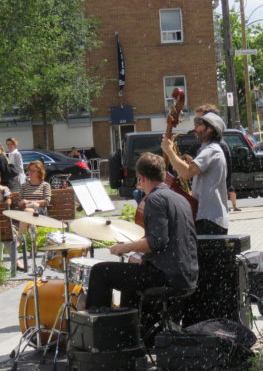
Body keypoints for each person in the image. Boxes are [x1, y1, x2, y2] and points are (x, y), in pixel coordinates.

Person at [86, 153, 197, 312]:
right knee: (131, 274)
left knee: (100, 272)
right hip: (187, 275)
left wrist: (124, 247)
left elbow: (157, 242)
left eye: (138, 180)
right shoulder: (180, 198)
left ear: (142, 178)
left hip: (167, 276)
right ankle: (131, 321)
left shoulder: (154, 199)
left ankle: (100, 325)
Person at [162, 111, 229, 235]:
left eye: (199, 124)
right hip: (208, 218)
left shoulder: (211, 150)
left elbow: (187, 172)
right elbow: (189, 171)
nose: (194, 128)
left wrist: (169, 151)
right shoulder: (208, 150)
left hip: (209, 219)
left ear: (209, 129)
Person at [194, 104, 240, 212]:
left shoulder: (217, 146)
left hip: (212, 210)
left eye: (198, 122)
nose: (195, 127)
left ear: (210, 124)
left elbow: (225, 180)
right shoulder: (207, 145)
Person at [17, 160, 52, 233]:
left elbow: (46, 201)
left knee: (28, 211)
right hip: (26, 212)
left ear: (40, 172)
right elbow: (19, 203)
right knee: (29, 215)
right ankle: (32, 238)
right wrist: (22, 203)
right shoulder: (24, 186)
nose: (29, 173)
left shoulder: (45, 185)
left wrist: (30, 202)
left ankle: (20, 237)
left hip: (40, 212)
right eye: (29, 170)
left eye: (33, 171)